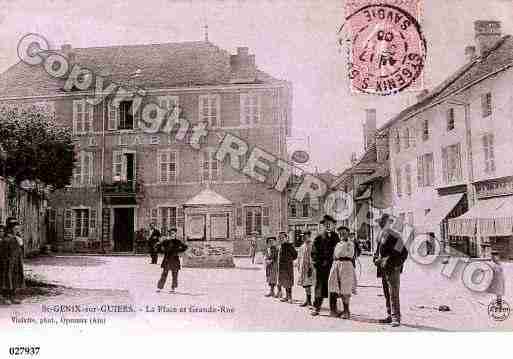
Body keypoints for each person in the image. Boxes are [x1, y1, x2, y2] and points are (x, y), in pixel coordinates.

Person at [373, 213, 408, 327]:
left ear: (390, 223)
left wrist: (397, 265)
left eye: (386, 222)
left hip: (393, 268)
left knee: (393, 293)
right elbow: (377, 252)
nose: (383, 225)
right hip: (383, 268)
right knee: (386, 293)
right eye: (382, 223)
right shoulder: (380, 236)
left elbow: (403, 253)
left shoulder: (396, 236)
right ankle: (390, 315)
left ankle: (396, 317)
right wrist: (375, 259)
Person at [311, 214, 340, 317]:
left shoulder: (337, 237)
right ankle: (316, 307)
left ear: (333, 225)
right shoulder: (318, 237)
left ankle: (333, 309)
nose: (328, 225)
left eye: (330, 224)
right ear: (323, 225)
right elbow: (314, 253)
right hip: (321, 268)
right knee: (319, 288)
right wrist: (318, 263)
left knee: (333, 288)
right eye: (325, 224)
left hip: (333, 267)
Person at [328, 226, 356, 319]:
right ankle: (334, 310)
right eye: (340, 233)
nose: (341, 235)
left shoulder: (350, 243)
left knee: (345, 288)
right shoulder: (338, 244)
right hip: (336, 265)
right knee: (333, 286)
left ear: (347, 233)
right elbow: (334, 255)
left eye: (343, 233)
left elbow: (350, 255)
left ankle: (346, 311)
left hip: (346, 265)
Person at [1, 218, 25, 304]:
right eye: (15, 229)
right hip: (8, 262)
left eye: (18, 229)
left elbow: (21, 250)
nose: (17, 230)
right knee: (7, 279)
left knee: (15, 277)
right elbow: (4, 252)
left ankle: (13, 297)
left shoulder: (18, 238)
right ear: (11, 229)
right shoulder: (6, 239)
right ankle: (5, 297)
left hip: (16, 261)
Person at [156, 228, 188, 293]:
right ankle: (160, 287)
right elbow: (158, 246)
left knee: (175, 275)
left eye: (173, 233)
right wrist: (163, 251)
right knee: (164, 274)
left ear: (175, 234)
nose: (172, 234)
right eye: (171, 233)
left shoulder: (178, 241)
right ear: (169, 234)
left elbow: (185, 247)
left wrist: (178, 251)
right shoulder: (166, 241)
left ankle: (173, 288)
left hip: (175, 259)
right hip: (167, 259)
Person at [277, 231, 298, 303]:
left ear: (286, 238)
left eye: (283, 237)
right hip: (281, 267)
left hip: (288, 267)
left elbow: (295, 255)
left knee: (288, 282)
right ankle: (286, 296)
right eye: (280, 238)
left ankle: (290, 297)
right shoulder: (280, 246)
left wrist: (289, 260)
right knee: (284, 282)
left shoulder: (289, 246)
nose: (281, 239)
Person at [296, 230, 314, 308]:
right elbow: (299, 257)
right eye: (302, 236)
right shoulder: (302, 246)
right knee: (305, 285)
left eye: (305, 236)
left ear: (309, 236)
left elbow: (314, 257)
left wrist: (311, 267)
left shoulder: (312, 245)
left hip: (310, 268)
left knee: (308, 284)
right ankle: (307, 300)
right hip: (303, 267)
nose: (303, 237)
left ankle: (310, 302)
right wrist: (298, 266)